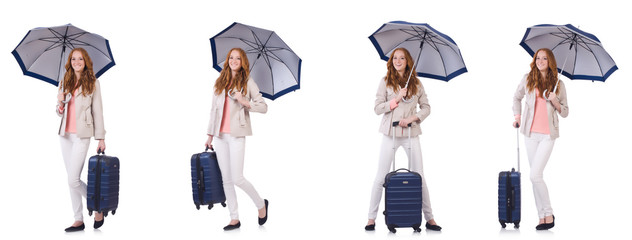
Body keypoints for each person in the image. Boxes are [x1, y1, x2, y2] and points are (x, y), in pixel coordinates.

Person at [365, 48, 441, 232]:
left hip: (410, 134)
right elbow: (377, 108)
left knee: (419, 175)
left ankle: (429, 218)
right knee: (381, 175)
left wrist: (413, 119)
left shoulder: (416, 84)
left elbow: (426, 108)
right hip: (390, 134)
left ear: (408, 61)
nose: (398, 61)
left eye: (402, 58)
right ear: (391, 61)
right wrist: (396, 99)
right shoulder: (385, 82)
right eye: (395, 58)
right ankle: (371, 218)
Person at [205, 48, 269, 231]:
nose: (233, 60)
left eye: (237, 58)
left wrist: (244, 101)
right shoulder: (220, 82)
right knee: (226, 179)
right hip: (219, 136)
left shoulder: (248, 82)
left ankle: (260, 204)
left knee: (237, 178)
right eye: (231, 57)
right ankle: (234, 218)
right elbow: (213, 111)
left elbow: (263, 107)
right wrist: (209, 135)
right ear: (227, 60)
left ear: (243, 62)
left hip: (237, 135)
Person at [512, 48, 569, 230]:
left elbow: (565, 112)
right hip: (530, 134)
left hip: (547, 136)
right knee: (535, 177)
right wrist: (518, 117)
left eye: (544, 58)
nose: (540, 61)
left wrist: (555, 100)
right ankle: (541, 217)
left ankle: (549, 213)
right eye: (538, 58)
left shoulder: (559, 85)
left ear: (550, 61)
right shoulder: (528, 78)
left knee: (535, 175)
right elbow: (516, 97)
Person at [56, 48, 107, 232]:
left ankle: (97, 205)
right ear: (70, 61)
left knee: (73, 180)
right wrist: (60, 104)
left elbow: (97, 111)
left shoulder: (93, 82)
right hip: (65, 135)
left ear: (85, 61)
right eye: (73, 59)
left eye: (80, 59)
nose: (76, 62)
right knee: (71, 179)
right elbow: (59, 111)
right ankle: (78, 219)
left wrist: (101, 137)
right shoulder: (64, 81)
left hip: (82, 135)